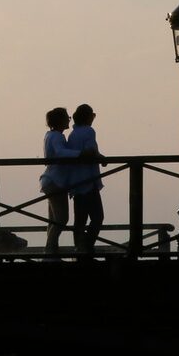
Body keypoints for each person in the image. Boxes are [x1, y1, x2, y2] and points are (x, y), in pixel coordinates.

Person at [39, 107, 81, 255]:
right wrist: (81, 154)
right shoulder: (57, 137)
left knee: (54, 219)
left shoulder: (49, 135)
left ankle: (51, 248)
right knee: (62, 219)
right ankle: (50, 249)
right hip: (56, 181)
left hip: (49, 181)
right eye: (67, 118)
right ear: (60, 120)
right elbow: (60, 152)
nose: (69, 120)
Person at [67, 104, 104, 254]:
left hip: (76, 182)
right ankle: (88, 246)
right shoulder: (89, 131)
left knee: (80, 219)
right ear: (88, 117)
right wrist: (100, 158)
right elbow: (90, 151)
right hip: (89, 180)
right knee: (97, 217)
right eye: (93, 115)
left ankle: (79, 248)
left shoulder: (72, 134)